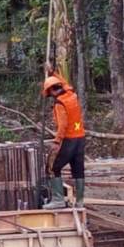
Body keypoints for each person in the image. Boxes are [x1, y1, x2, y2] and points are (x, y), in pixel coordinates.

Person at [42, 69, 86, 209]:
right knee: (78, 169)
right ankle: (80, 202)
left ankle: (58, 200)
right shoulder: (71, 94)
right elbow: (65, 82)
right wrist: (52, 72)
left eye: (50, 94)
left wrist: (57, 141)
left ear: (52, 91)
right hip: (80, 139)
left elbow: (63, 125)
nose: (51, 97)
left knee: (52, 168)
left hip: (68, 140)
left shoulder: (59, 104)